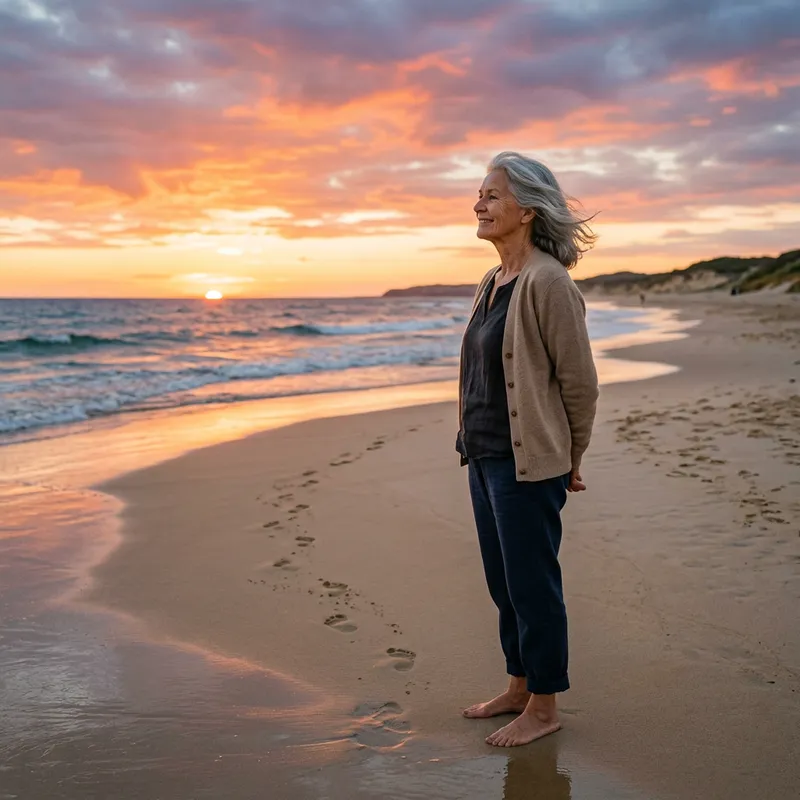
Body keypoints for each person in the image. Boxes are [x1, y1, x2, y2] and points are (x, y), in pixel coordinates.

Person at [456, 151, 599, 747]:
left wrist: (572, 459)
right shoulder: (493, 280)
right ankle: (518, 686)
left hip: (528, 462)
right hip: (485, 457)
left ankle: (545, 705)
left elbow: (579, 382)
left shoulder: (548, 281)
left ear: (528, 208)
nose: (478, 205)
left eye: (492, 195)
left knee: (533, 584)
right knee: (502, 583)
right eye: (480, 195)